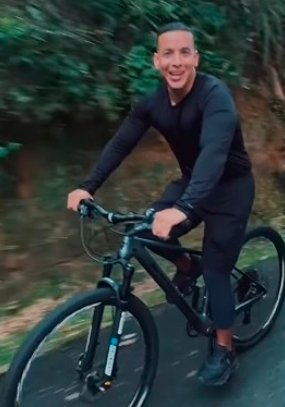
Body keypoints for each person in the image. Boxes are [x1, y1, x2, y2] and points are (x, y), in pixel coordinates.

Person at [66, 22, 254, 386]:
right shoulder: (152, 103)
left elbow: (214, 154)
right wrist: (87, 187)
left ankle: (225, 348)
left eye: (184, 52)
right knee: (146, 227)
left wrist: (183, 208)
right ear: (157, 61)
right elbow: (121, 144)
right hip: (193, 182)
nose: (176, 61)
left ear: (196, 58)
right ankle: (186, 265)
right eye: (168, 53)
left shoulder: (215, 96)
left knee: (216, 270)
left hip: (231, 188)